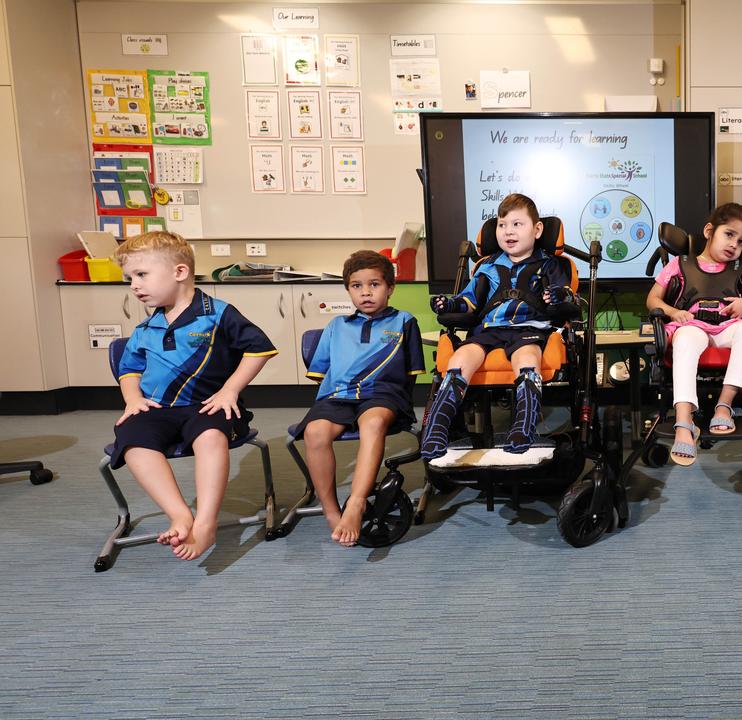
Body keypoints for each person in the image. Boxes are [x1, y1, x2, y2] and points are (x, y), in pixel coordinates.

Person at [110, 231, 277, 560]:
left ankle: (205, 524)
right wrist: (132, 398)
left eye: (141, 275)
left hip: (208, 405)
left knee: (211, 436)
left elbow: (260, 349)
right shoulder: (146, 328)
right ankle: (180, 514)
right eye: (130, 278)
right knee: (131, 440)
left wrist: (230, 390)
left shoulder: (218, 313)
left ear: (180, 272)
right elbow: (129, 368)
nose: (134, 285)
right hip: (158, 409)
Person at [420, 193, 578, 459]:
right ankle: (437, 429)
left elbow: (565, 294)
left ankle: (524, 426)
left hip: (531, 329)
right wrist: (450, 306)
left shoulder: (550, 265)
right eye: (502, 225)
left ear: (537, 229)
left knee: (526, 356)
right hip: (490, 330)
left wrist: (559, 296)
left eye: (517, 224)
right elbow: (469, 301)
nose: (508, 231)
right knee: (460, 358)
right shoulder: (488, 268)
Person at [297, 250, 426, 546]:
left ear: (390, 288)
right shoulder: (335, 327)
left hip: (382, 395)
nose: (365, 292)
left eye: (375, 284)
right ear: (348, 290)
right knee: (315, 432)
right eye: (357, 286)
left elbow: (411, 374)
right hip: (338, 395)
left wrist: (401, 408)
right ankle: (331, 511)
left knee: (373, 422)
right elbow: (320, 375)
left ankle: (355, 503)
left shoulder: (405, 322)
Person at [645, 203, 742, 465]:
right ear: (709, 231)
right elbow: (652, 300)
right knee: (684, 337)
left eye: (741, 242)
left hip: (728, 326)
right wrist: (673, 312)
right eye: (729, 235)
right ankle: (684, 421)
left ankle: (724, 405)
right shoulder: (680, 264)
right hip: (693, 326)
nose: (734, 245)